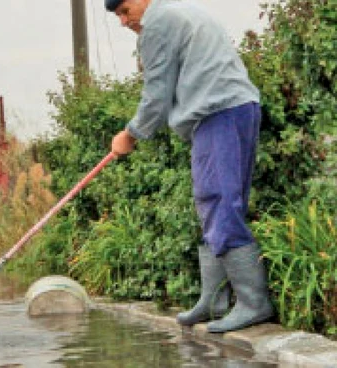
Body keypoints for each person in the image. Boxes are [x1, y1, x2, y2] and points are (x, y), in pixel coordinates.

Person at [105, 0, 274, 333]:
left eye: (125, 11)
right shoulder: (180, 12)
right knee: (215, 205)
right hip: (233, 109)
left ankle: (254, 303)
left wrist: (131, 134)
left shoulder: (156, 23)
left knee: (218, 202)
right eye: (118, 16)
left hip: (218, 113)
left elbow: (157, 94)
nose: (124, 22)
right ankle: (215, 301)